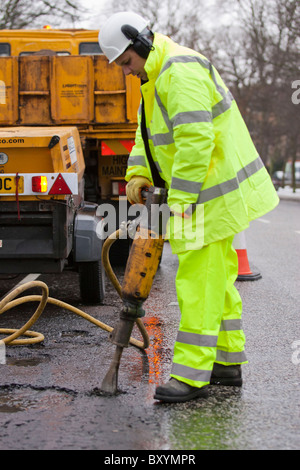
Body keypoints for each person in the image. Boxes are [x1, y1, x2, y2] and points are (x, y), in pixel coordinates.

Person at [98, 11, 279, 403]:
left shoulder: (180, 72)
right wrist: (137, 174)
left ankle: (192, 376)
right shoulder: (155, 77)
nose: (126, 72)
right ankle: (227, 365)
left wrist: (177, 206)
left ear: (141, 43)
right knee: (218, 284)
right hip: (204, 200)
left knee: (197, 286)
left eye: (127, 62)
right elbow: (147, 136)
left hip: (208, 201)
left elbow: (196, 142)